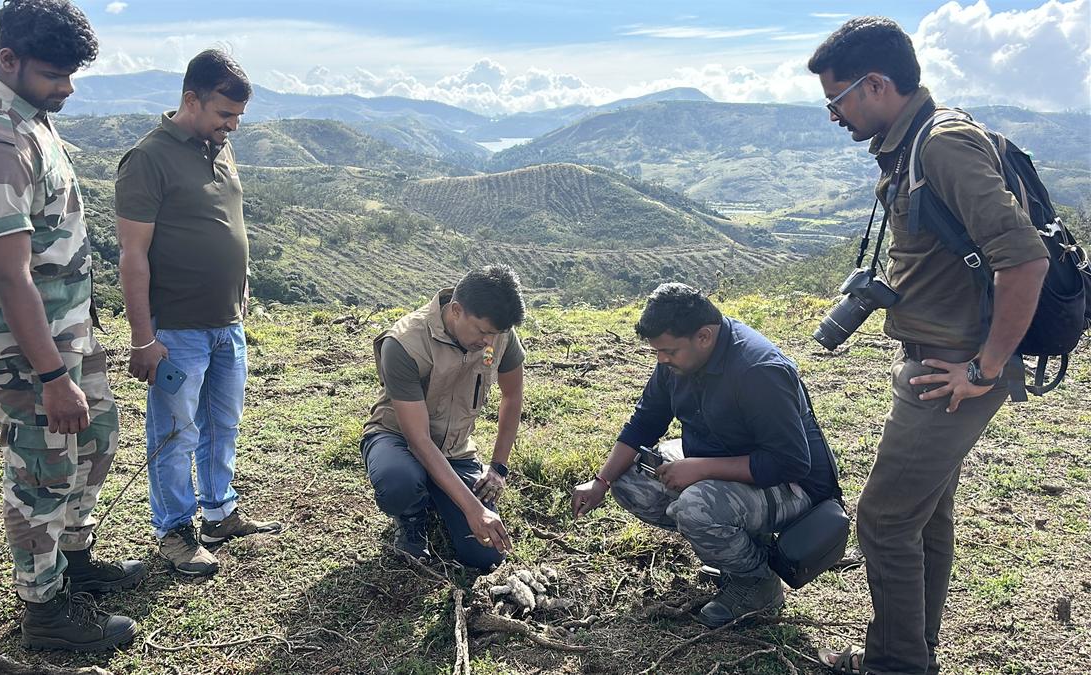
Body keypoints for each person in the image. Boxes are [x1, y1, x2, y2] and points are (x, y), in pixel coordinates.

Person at [807, 17, 1049, 675]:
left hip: (952, 369)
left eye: (837, 99)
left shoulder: (940, 145)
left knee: (883, 521)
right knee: (922, 516)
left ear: (877, 84)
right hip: (939, 358)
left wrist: (984, 366)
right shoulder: (914, 141)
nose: (833, 115)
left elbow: (1023, 259)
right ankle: (915, 648)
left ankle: (895, 665)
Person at [0, 0, 141, 651]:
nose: (68, 87)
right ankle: (46, 612)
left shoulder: (26, 115)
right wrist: (52, 376)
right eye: (56, 73)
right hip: (27, 346)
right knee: (42, 471)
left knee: (98, 435)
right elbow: (9, 275)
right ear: (10, 59)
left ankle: (75, 561)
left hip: (64, 328)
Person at [571, 283, 838, 628]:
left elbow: (790, 462)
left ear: (704, 337)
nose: (661, 360)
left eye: (668, 351)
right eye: (657, 352)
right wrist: (601, 481)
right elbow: (644, 423)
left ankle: (757, 582)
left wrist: (699, 469)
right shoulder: (678, 362)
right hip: (725, 461)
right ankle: (736, 551)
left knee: (696, 508)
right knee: (631, 478)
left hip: (794, 488)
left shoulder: (758, 369)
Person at [115, 49, 282, 578]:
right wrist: (143, 338)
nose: (231, 126)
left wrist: (242, 284)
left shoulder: (218, 148)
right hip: (177, 329)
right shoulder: (148, 159)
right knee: (175, 431)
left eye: (237, 117)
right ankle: (174, 531)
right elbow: (132, 255)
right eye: (223, 114)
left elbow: (228, 222)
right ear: (191, 99)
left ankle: (219, 512)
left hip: (226, 323)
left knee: (222, 423)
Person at [362, 265, 526, 570]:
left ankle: (439, 492)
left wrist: (498, 467)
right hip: (399, 438)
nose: (489, 343)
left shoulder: (499, 333)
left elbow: (512, 396)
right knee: (399, 482)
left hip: (455, 447)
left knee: (485, 555)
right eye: (482, 332)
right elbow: (419, 441)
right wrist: (474, 510)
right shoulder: (405, 344)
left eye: (496, 335)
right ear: (456, 310)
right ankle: (411, 514)